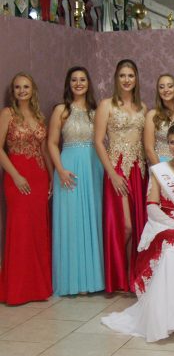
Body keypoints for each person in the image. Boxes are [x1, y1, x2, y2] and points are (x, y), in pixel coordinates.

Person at [102, 122, 174, 341]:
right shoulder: (159, 171)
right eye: (172, 142)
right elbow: (152, 207)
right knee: (172, 250)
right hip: (166, 226)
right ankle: (171, 317)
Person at [48, 66, 105, 296]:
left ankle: (93, 280)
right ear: (68, 84)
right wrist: (60, 170)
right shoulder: (61, 110)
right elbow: (52, 143)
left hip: (93, 167)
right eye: (74, 80)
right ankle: (72, 281)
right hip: (68, 168)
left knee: (92, 219)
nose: (78, 83)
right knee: (72, 222)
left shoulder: (96, 111)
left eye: (82, 79)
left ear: (88, 83)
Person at [95, 59, 147, 293]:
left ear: (136, 79)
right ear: (116, 78)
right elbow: (98, 142)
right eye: (122, 75)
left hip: (138, 169)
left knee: (138, 226)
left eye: (131, 75)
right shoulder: (106, 105)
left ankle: (131, 277)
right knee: (125, 226)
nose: (127, 80)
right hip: (117, 168)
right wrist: (112, 174)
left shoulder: (142, 107)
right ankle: (117, 276)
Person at [0, 72, 53, 304]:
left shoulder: (39, 117)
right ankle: (17, 290)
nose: (22, 91)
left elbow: (44, 151)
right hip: (17, 177)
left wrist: (51, 178)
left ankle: (37, 289)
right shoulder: (7, 114)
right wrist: (16, 175)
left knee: (37, 231)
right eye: (18, 87)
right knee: (20, 231)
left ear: (33, 90)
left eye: (26, 87)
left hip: (39, 178)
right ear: (13, 91)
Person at [144, 73, 174, 164]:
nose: (166, 90)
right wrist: (161, 170)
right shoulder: (152, 115)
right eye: (161, 87)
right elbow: (149, 148)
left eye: (170, 86)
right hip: (161, 164)